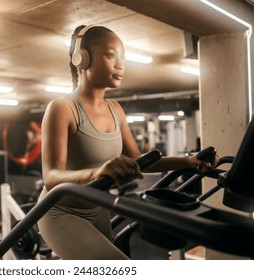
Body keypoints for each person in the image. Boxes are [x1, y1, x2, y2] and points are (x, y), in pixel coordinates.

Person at [37, 25, 217, 260]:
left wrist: (190, 161)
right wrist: (98, 172)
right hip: (60, 211)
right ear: (82, 59)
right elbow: (51, 177)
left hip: (97, 206)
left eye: (123, 57)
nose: (120, 65)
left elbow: (139, 162)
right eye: (111, 55)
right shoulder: (62, 108)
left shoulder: (116, 110)